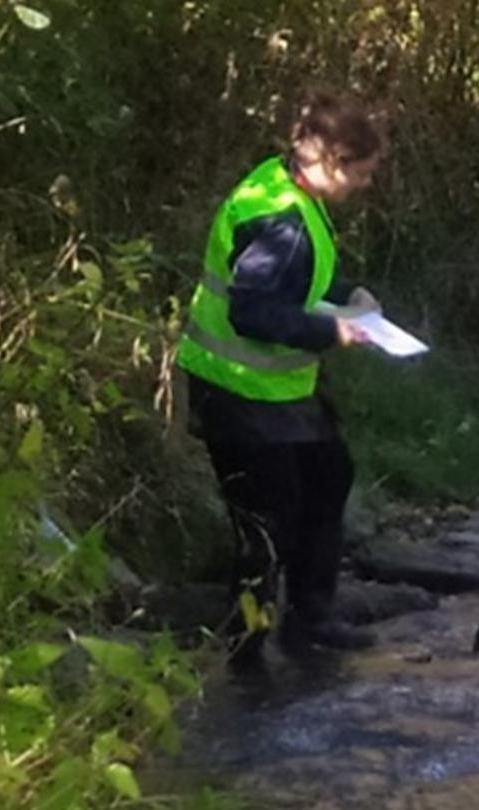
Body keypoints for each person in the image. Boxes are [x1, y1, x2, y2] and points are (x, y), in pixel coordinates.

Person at [177, 89, 385, 664]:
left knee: (328, 477)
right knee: (265, 525)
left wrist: (348, 296)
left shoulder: (287, 186)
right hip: (239, 395)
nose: (366, 186)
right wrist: (333, 333)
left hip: (277, 393)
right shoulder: (280, 220)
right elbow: (252, 311)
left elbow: (299, 284)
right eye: (363, 174)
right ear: (335, 162)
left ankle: (309, 621)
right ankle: (246, 649)